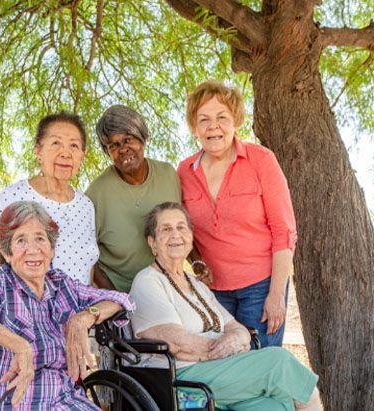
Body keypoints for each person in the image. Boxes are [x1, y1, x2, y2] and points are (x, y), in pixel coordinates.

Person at [0, 201, 134, 410]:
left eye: (40, 239)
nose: (33, 250)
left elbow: (121, 300)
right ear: (7, 252)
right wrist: (20, 346)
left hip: (63, 400)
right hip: (6, 399)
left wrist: (84, 317)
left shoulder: (62, 285)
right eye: (21, 240)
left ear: (51, 249)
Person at [130, 203, 322, 411]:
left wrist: (237, 339)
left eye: (181, 227)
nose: (176, 234)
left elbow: (236, 328)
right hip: (183, 375)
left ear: (191, 237)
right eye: (166, 229)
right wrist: (227, 349)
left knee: (276, 405)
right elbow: (178, 343)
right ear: (152, 242)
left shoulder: (196, 284)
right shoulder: (148, 282)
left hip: (218, 369)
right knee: (279, 361)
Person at [177, 80, 297, 347]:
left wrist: (276, 295)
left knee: (259, 367)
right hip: (212, 293)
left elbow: (284, 232)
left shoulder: (261, 160)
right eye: (204, 119)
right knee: (223, 369)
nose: (213, 126)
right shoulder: (184, 171)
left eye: (222, 117)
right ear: (194, 128)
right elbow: (183, 230)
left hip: (261, 287)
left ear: (235, 122)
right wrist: (196, 263)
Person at [0, 112, 99, 285]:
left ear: (82, 155)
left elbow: (88, 267)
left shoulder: (86, 205)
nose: (65, 153)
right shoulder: (15, 195)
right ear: (39, 151)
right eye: (56, 143)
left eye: (74, 146)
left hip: (80, 308)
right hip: (27, 309)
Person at [86, 104, 182, 292]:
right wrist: (116, 298)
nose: (123, 149)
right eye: (113, 145)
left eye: (128, 139)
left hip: (168, 286)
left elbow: (183, 227)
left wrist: (195, 263)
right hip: (122, 292)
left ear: (142, 137)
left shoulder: (168, 175)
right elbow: (86, 255)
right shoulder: (96, 193)